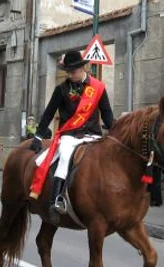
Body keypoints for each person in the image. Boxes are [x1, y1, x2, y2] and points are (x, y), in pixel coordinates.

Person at [29, 50, 114, 223]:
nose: (70, 75)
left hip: (92, 134)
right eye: (67, 71)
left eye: (72, 72)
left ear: (82, 68)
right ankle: (55, 201)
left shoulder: (98, 88)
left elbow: (107, 115)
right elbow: (48, 114)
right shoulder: (61, 89)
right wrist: (38, 136)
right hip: (69, 135)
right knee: (65, 156)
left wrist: (116, 132)